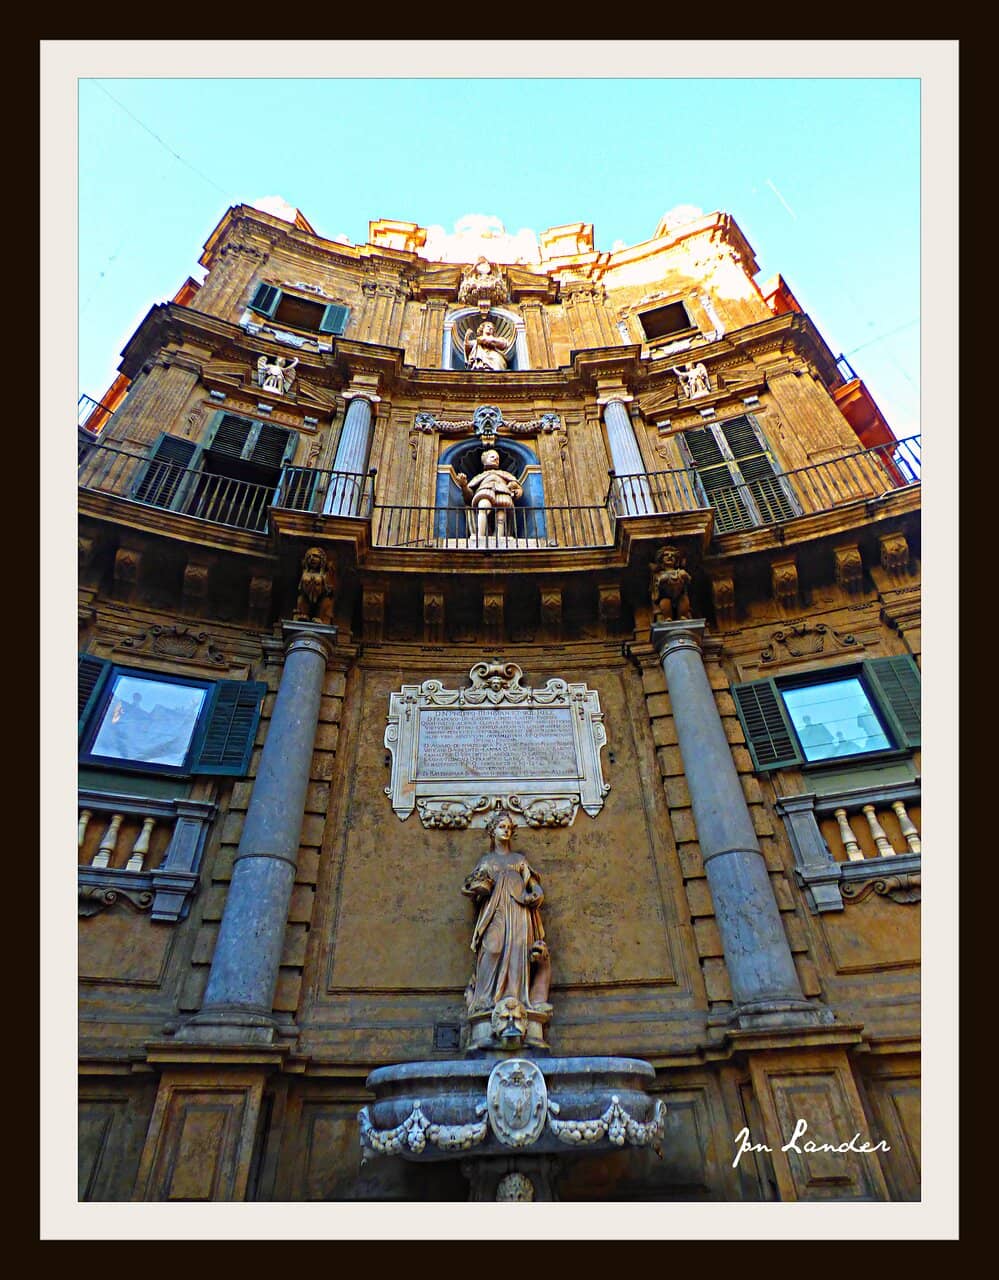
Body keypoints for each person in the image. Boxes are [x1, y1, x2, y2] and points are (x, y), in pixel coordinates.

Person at [462, 812, 551, 1015]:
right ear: (492, 831)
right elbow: (472, 886)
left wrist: (537, 892)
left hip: (519, 911)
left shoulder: (519, 860)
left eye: (509, 828)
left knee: (518, 951)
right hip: (494, 911)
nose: (506, 831)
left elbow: (533, 884)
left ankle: (514, 997)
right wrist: (475, 890)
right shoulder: (487, 861)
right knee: (492, 948)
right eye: (502, 827)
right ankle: (484, 1000)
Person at [456, 448, 524, 540]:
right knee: (483, 506)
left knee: (501, 515)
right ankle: (480, 535)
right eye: (492, 457)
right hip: (484, 492)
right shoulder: (479, 477)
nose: (496, 459)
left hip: (503, 494)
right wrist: (464, 486)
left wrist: (518, 491)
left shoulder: (505, 474)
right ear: (484, 460)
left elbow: (517, 487)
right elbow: (469, 496)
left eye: (498, 458)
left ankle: (499, 538)